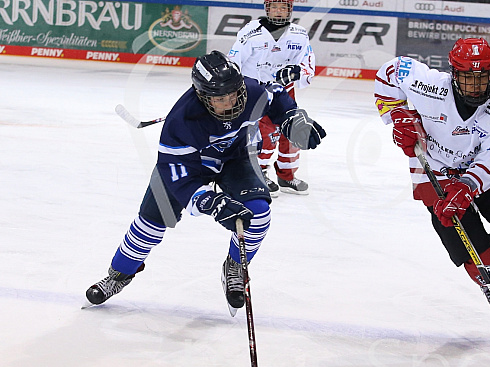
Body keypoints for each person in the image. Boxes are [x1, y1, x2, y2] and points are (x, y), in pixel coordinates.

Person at [85, 51, 326, 314]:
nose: (231, 102)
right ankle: (119, 273)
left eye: (234, 94)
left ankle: (235, 265)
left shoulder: (251, 92)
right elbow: (178, 176)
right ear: (202, 96)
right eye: (221, 98)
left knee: (259, 213)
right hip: (192, 167)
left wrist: (292, 117)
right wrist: (208, 201)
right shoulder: (181, 123)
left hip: (237, 157)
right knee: (150, 224)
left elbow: (277, 96)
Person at [374, 38, 490, 349]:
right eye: (467, 77)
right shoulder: (428, 84)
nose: (475, 86)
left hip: (486, 176)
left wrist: (467, 186)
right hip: (435, 173)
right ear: (453, 74)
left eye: (482, 78)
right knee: (480, 257)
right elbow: (388, 72)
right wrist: (397, 115)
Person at [228, 0, 316, 196]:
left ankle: (286, 176)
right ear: (267, 9)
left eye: (283, 8)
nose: (278, 11)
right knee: (265, 132)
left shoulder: (299, 35)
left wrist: (297, 71)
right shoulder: (251, 33)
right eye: (274, 7)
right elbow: (234, 61)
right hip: (256, 89)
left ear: (289, 10)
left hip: (284, 91)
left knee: (292, 129)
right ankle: (257, 173)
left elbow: (307, 62)